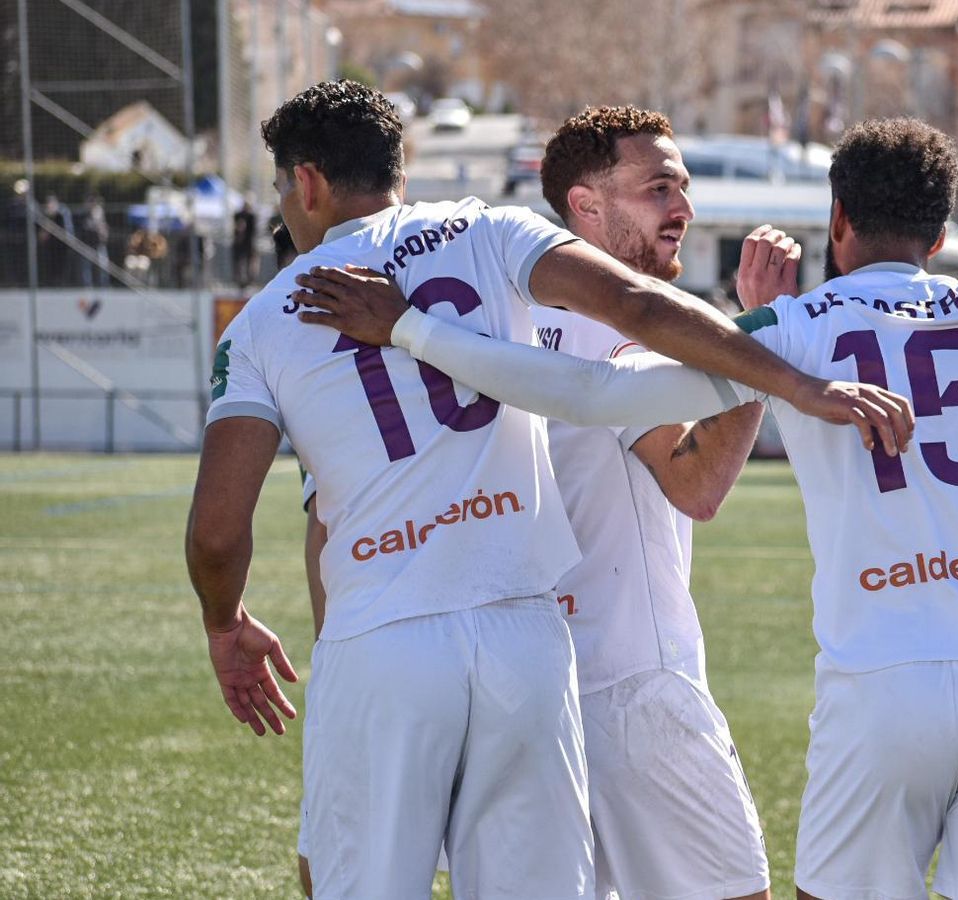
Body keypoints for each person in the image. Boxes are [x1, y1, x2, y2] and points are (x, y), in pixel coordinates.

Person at [302, 117, 958, 900]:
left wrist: (411, 328)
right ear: (940, 230)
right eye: (659, 188)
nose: (682, 205)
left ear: (838, 220)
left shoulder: (781, 328)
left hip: (766, 679)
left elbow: (579, 404)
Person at [186, 80, 911, 898]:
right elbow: (636, 325)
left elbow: (230, 530)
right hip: (536, 647)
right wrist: (786, 373)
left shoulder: (265, 320)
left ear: (307, 183)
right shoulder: (490, 237)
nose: (683, 206)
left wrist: (228, 622)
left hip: (383, 638)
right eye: (660, 186)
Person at [300, 105, 775, 900]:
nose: (683, 208)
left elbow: (327, 528)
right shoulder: (603, 331)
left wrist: (346, 675)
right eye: (660, 189)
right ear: (584, 208)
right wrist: (758, 340)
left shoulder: (442, 328)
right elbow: (698, 484)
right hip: (626, 686)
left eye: (683, 188)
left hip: (495, 688)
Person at [232, 199, 260, 288]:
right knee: (239, 263)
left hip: (248, 243)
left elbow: (253, 230)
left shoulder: (251, 217)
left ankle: (248, 281)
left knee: (249, 263)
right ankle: (240, 281)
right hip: (240, 244)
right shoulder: (238, 215)